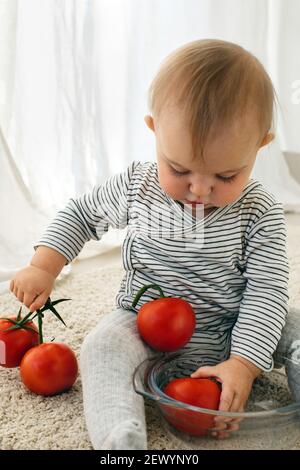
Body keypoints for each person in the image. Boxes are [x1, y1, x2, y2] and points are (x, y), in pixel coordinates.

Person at [10, 39, 300, 450]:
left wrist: (245, 362)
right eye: (179, 168)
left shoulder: (260, 211)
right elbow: (82, 214)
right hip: (143, 323)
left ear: (260, 146)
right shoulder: (137, 185)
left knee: (294, 326)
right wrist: (44, 265)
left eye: (226, 176)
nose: (199, 188)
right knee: (101, 347)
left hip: (232, 323)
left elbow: (266, 292)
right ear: (154, 131)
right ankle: (120, 438)